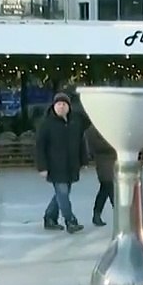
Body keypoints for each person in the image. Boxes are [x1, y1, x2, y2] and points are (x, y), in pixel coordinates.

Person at [35, 92, 87, 234]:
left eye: (64, 104)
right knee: (63, 193)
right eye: (58, 104)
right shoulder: (46, 123)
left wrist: (83, 160)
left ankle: (49, 218)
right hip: (55, 166)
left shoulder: (75, 122)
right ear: (54, 106)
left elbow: (81, 142)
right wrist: (42, 167)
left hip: (71, 165)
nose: (61, 107)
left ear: (69, 106)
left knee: (61, 194)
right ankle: (70, 221)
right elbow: (40, 147)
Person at [84, 124, 116, 227]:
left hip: (112, 162)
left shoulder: (107, 127)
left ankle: (97, 214)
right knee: (110, 189)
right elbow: (97, 146)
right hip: (104, 163)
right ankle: (120, 215)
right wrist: (113, 144)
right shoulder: (93, 129)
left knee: (105, 190)